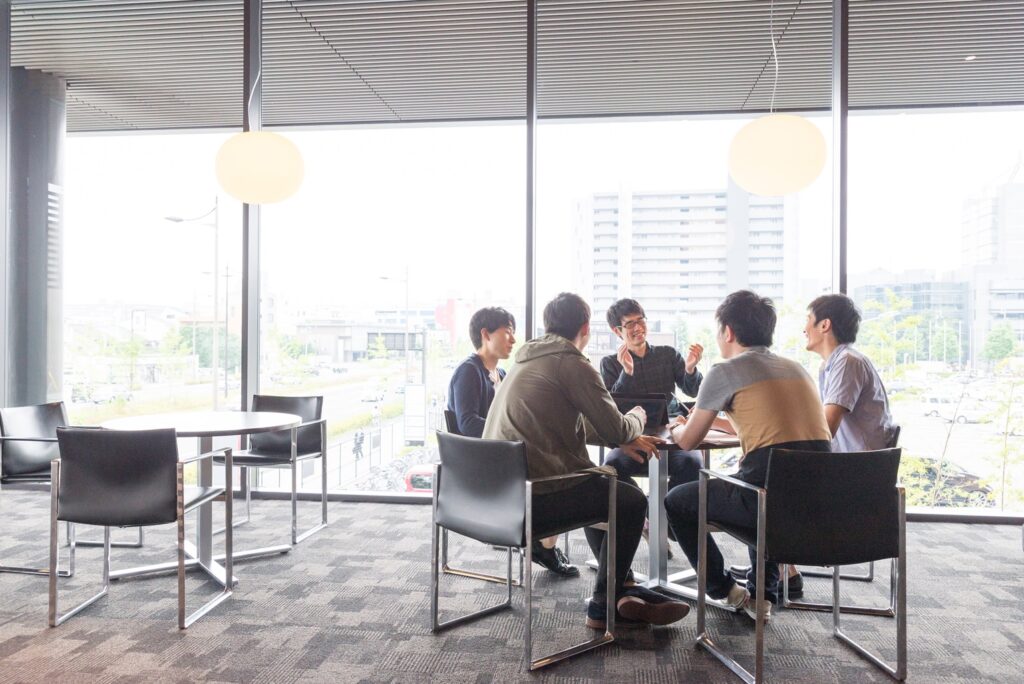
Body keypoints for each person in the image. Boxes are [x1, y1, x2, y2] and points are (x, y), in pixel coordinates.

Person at [484, 293, 691, 630]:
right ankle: (603, 603)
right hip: (534, 499)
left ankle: (623, 588)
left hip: (495, 498)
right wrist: (636, 419)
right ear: (585, 327)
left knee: (602, 482)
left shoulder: (526, 360)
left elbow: (573, 423)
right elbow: (616, 425)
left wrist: (624, 437)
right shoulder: (571, 363)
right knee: (628, 499)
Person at [664, 290, 831, 622]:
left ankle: (724, 589)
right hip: (816, 501)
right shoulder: (796, 368)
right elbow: (767, 424)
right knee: (761, 485)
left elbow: (688, 441)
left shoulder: (724, 370)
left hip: (764, 498)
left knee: (677, 501)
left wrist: (675, 427)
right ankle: (763, 597)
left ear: (728, 332)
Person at [446, 306, 576, 577]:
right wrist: (511, 437)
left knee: (557, 464)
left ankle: (543, 542)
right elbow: (467, 424)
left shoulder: (502, 375)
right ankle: (544, 544)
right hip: (479, 467)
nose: (514, 340)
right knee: (554, 471)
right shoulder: (468, 372)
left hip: (501, 459)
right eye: (508, 332)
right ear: (486, 334)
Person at [600, 297, 705, 494]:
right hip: (633, 435)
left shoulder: (668, 354)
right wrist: (627, 372)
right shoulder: (610, 363)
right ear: (617, 331)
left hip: (671, 433)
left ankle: (667, 512)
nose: (638, 327)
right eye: (630, 323)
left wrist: (690, 369)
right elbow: (611, 405)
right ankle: (642, 509)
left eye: (641, 320)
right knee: (611, 467)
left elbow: (694, 391)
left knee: (693, 464)